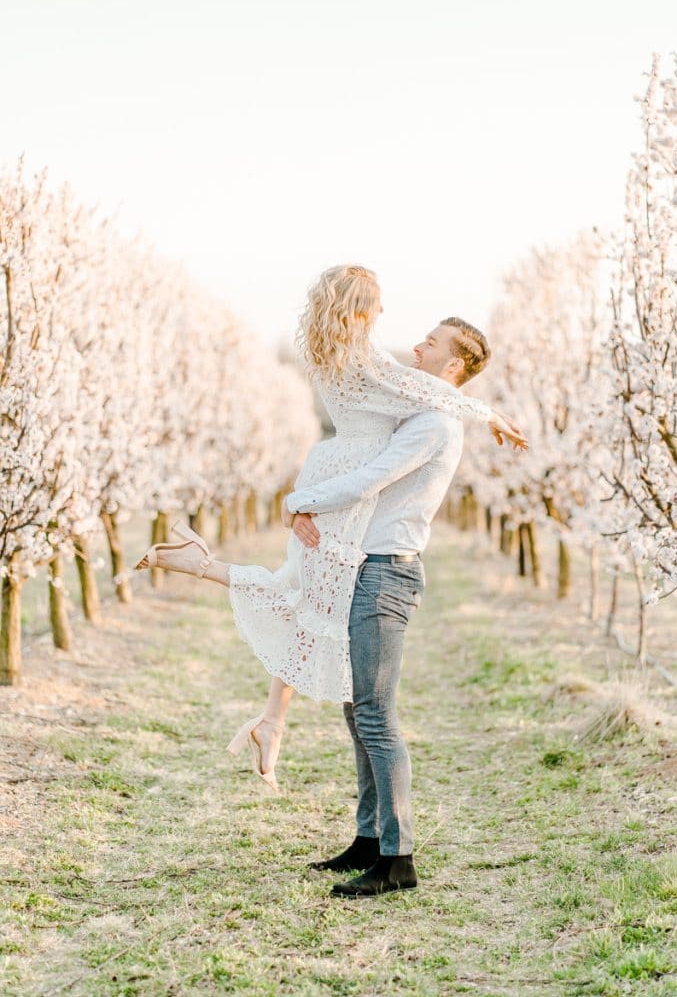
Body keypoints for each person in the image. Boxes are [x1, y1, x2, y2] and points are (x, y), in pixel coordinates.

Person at [135, 266, 527, 792]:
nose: (388, 316)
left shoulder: (332, 350)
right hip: (345, 482)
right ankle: (196, 565)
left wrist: (481, 411)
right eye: (379, 304)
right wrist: (489, 413)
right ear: (358, 306)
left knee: (312, 598)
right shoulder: (368, 360)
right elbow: (429, 395)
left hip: (332, 469)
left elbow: (428, 394)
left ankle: (271, 720)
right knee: (310, 597)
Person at [284, 317, 500, 897]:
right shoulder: (423, 410)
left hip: (386, 573)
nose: (418, 346)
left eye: (431, 343)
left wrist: (298, 500)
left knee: (376, 714)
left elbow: (370, 478)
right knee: (358, 709)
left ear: (453, 365)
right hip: (368, 567)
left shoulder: (433, 423)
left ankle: (398, 857)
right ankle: (368, 839)